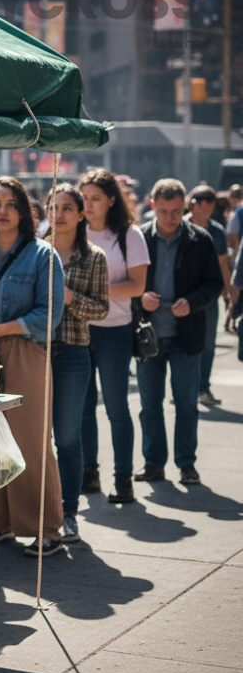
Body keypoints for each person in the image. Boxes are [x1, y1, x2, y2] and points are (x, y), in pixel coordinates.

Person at [0, 176, 65, 557]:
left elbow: (50, 314)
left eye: (10, 204)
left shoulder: (43, 255)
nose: (2, 211)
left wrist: (5, 328)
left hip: (23, 347)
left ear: (24, 210)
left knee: (30, 439)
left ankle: (46, 528)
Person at [135, 178, 223, 486]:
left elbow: (215, 284)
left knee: (186, 404)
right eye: (163, 211)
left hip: (187, 336)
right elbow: (126, 281)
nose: (170, 218)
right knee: (150, 404)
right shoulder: (140, 238)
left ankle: (186, 463)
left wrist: (193, 301)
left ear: (185, 206)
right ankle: (153, 463)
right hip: (148, 336)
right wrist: (141, 297)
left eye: (175, 211)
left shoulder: (201, 239)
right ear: (153, 207)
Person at [77, 168, 150, 505]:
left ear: (110, 200)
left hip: (115, 332)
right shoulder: (71, 233)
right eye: (84, 198)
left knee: (117, 408)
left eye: (95, 198)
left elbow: (137, 286)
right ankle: (88, 473)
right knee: (83, 407)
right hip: (76, 331)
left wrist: (94, 289)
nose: (88, 205)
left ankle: (124, 477)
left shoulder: (129, 235)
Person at [45, 185, 109, 544]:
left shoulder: (95, 256)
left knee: (68, 438)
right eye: (53, 207)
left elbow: (101, 307)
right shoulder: (36, 251)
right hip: (35, 350)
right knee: (35, 438)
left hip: (73, 352)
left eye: (68, 208)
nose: (60, 214)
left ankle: (69, 512)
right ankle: (35, 512)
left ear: (81, 214)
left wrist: (70, 298)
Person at [185, 185, 232, 405]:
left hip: (209, 296)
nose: (209, 209)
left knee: (208, 344)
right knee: (181, 343)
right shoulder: (180, 226)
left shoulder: (217, 231)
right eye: (206, 204)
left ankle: (203, 387)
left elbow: (223, 264)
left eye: (212, 205)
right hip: (182, 295)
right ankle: (183, 388)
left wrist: (229, 294)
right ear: (194, 204)